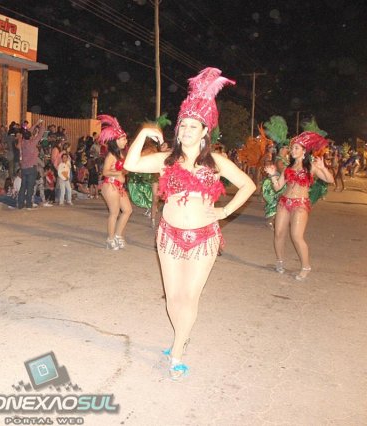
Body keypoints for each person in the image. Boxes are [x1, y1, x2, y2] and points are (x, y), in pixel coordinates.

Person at [124, 68, 256, 380]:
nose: (185, 130)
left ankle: (178, 351)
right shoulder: (166, 160)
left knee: (190, 297)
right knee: (172, 297)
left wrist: (224, 212)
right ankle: (180, 338)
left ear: (204, 132)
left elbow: (248, 185)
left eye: (192, 126)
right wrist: (144, 133)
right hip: (168, 236)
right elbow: (130, 164)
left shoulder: (216, 163)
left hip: (204, 238)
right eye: (182, 125)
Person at [264, 132, 334, 281]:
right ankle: (280, 261)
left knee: (296, 236)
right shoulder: (287, 168)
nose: (292, 150)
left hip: (300, 204)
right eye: (292, 148)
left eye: (296, 148)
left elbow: (330, 180)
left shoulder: (311, 167)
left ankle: (306, 266)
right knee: (278, 233)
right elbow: (277, 187)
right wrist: (272, 174)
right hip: (284, 203)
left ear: (304, 151)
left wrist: (323, 168)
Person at [97, 115, 132, 249]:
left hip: (119, 186)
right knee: (114, 213)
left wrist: (125, 171)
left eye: (125, 139)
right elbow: (105, 172)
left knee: (127, 210)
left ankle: (118, 235)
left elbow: (124, 170)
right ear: (116, 140)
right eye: (123, 139)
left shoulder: (122, 154)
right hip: (110, 185)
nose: (125, 141)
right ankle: (110, 239)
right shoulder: (111, 155)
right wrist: (118, 173)